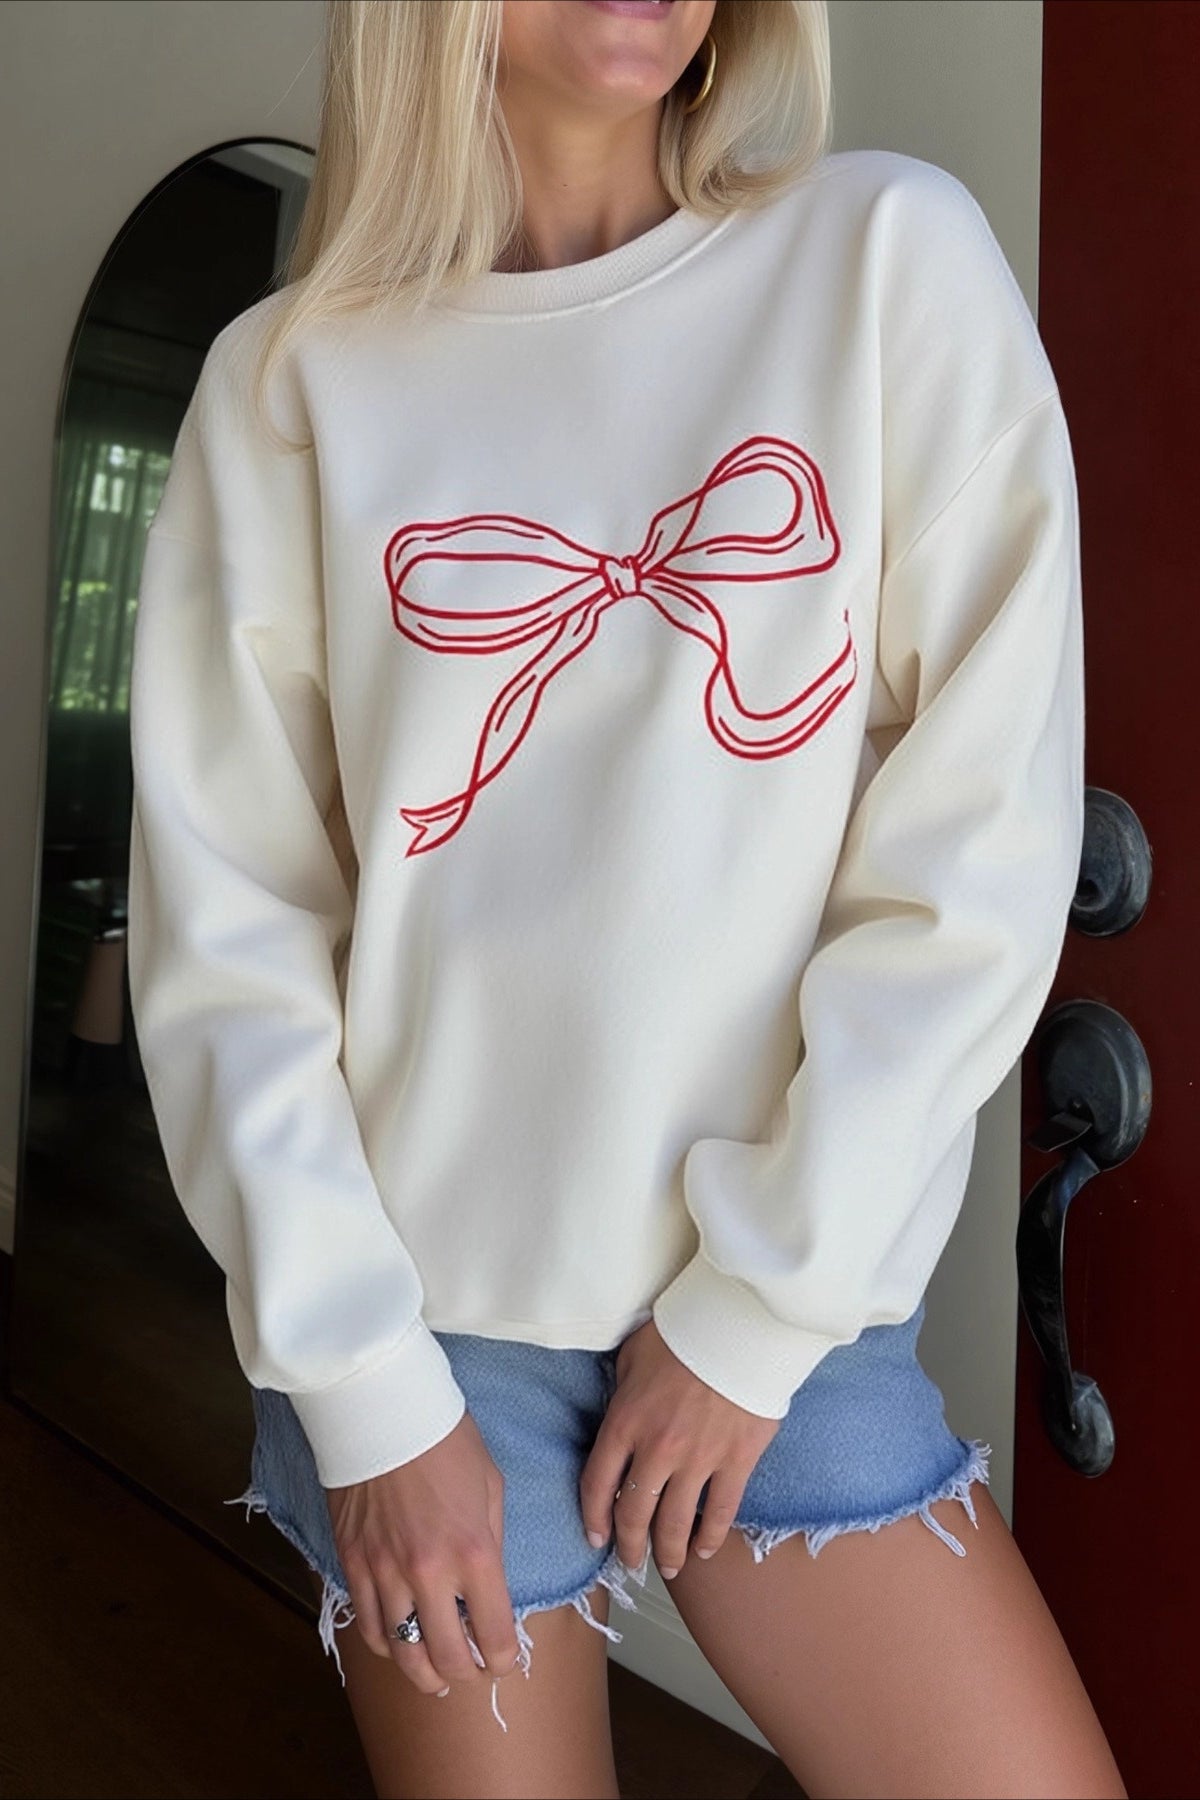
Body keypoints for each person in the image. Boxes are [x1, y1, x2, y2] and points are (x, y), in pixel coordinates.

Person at [125, 1, 1128, 1795]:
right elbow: (232, 931)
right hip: (424, 1337)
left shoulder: (885, 259)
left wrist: (755, 1318)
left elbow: (976, 845)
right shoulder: (288, 382)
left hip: (788, 1306)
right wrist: (365, 1393)